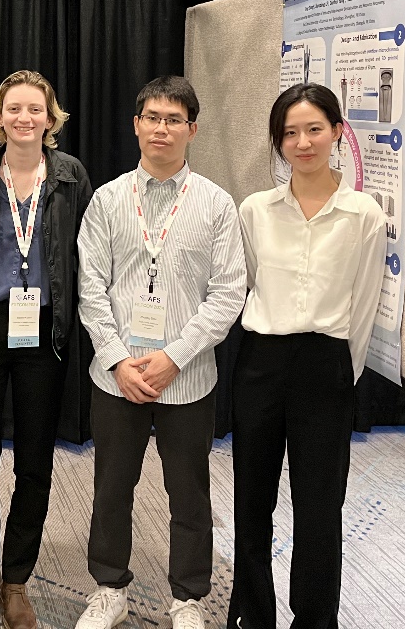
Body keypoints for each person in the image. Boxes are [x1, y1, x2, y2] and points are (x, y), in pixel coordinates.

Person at [75, 75, 249, 629]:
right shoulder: (107, 199)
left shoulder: (216, 204)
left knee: (189, 493)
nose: (162, 128)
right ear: (136, 125)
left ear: (192, 130)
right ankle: (109, 588)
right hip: (117, 376)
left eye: (174, 120)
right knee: (111, 488)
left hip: (188, 377)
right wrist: (117, 359)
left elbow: (229, 293)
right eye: (152, 117)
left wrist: (175, 356)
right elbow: (90, 288)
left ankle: (188, 597)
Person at [228, 83, 387, 629]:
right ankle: (253, 616)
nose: (303, 142)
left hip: (326, 365)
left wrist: (343, 372)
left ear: (337, 132)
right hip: (260, 363)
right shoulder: (256, 210)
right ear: (278, 142)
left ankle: (315, 620)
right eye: (290, 133)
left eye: (314, 129)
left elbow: (364, 304)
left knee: (320, 507)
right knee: (252, 501)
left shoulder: (363, 214)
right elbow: (249, 283)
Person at [0, 71, 93, 629]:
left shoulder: (71, 175)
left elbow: (86, 253)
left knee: (35, 460)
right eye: (14, 108)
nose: (25, 118)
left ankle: (16, 579)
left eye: (36, 109)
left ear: (50, 118)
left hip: (44, 332)